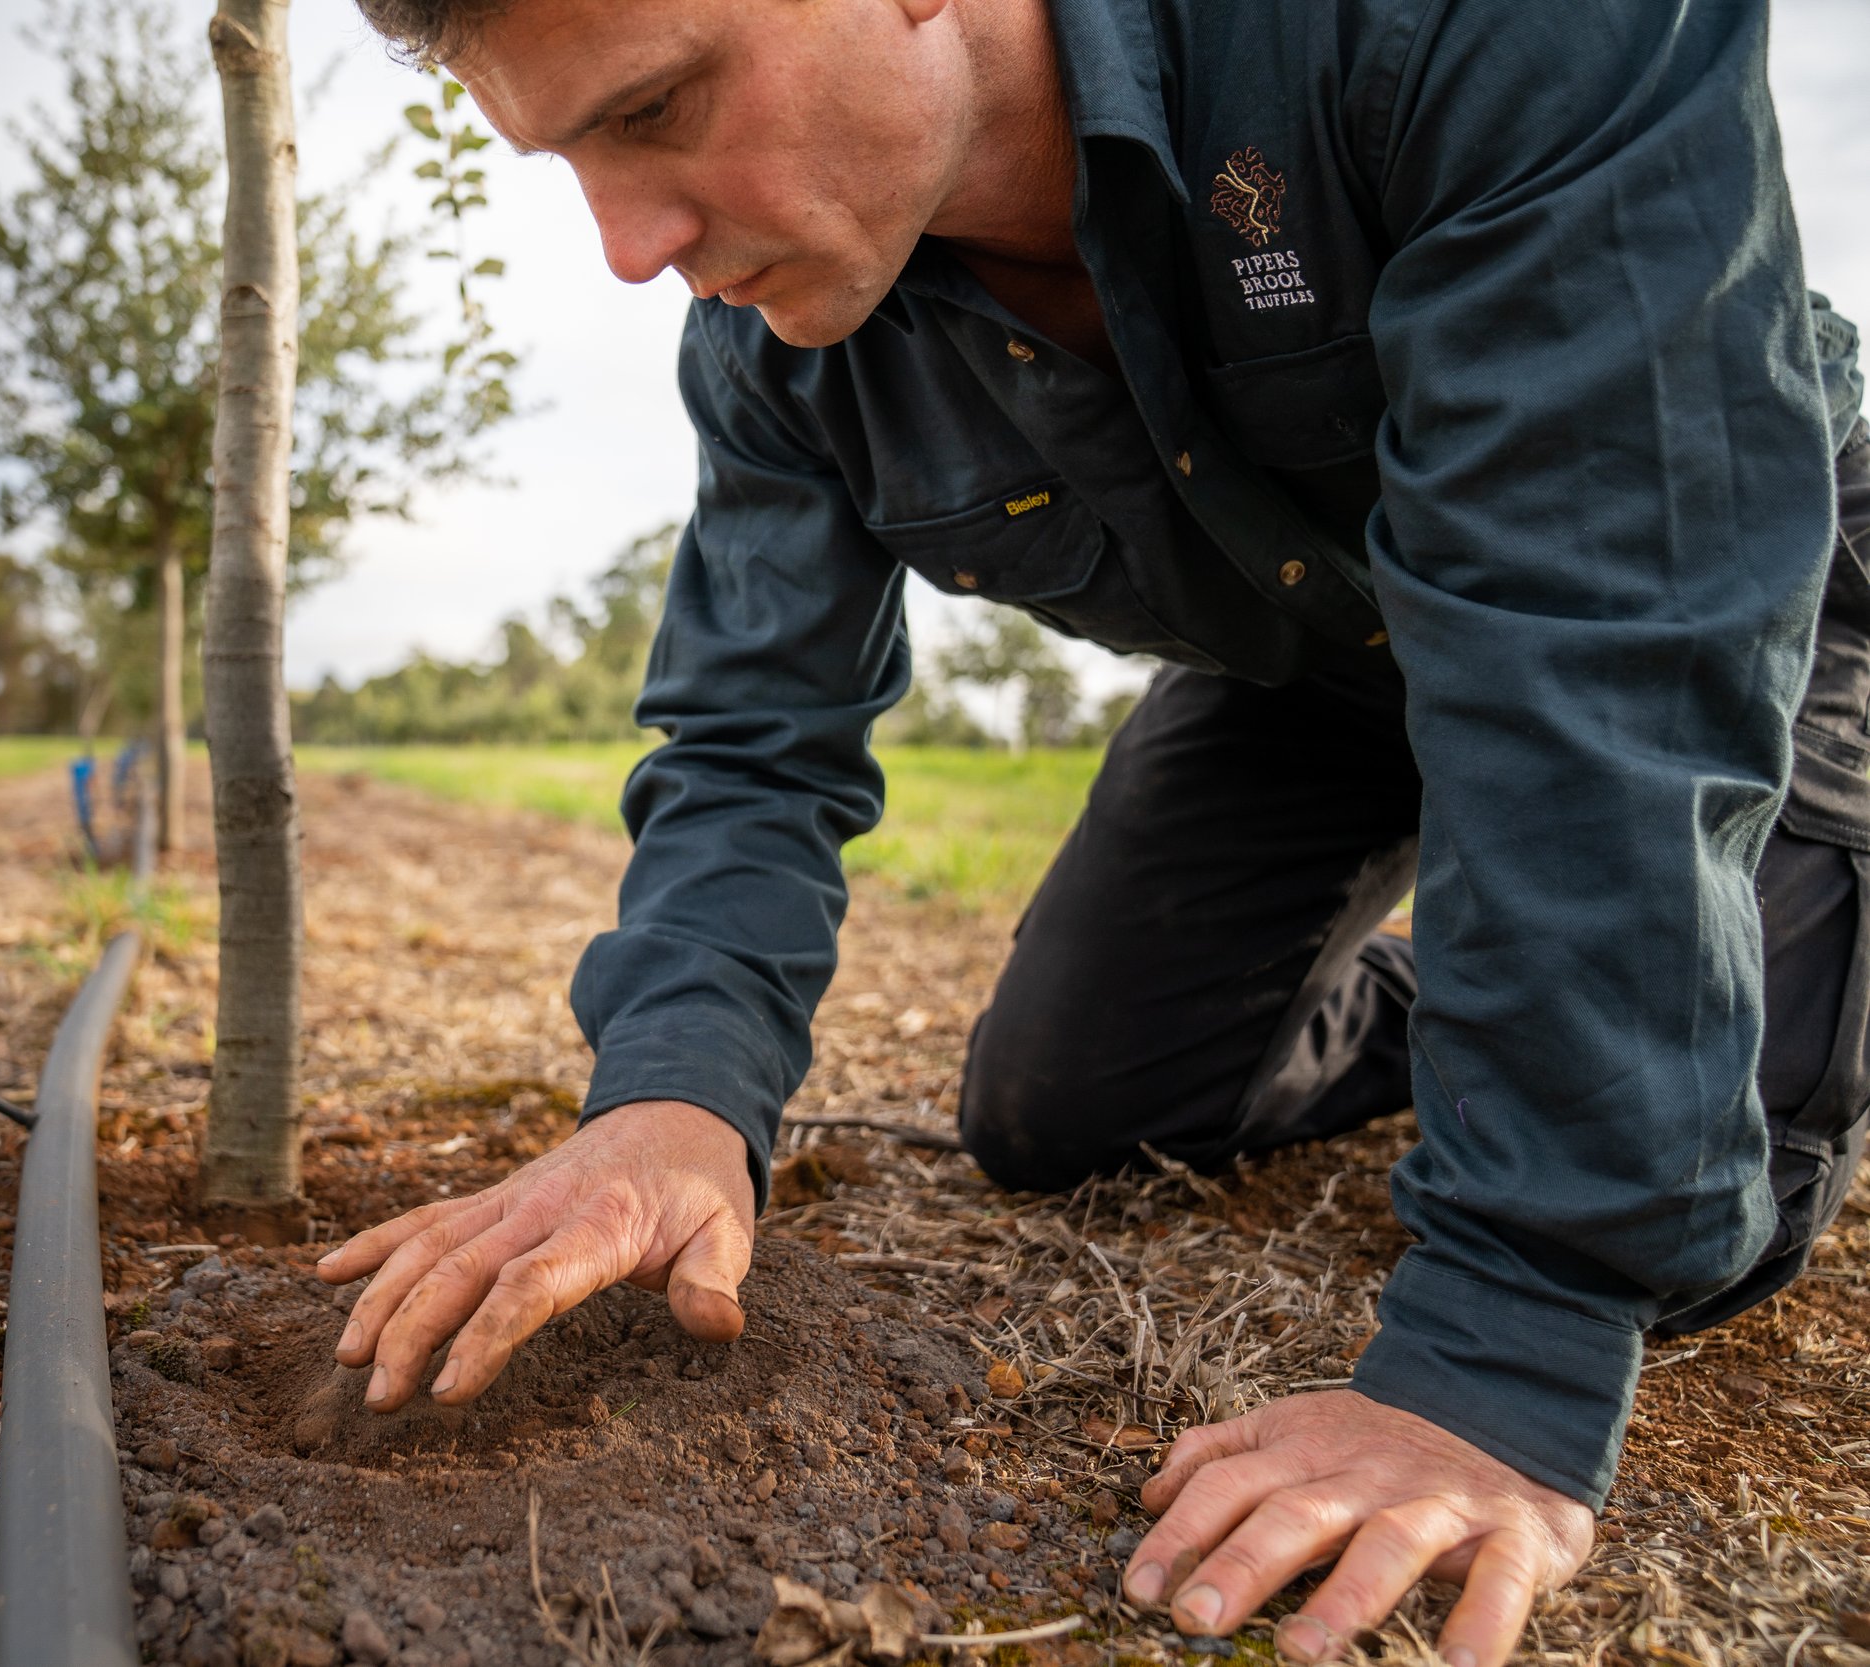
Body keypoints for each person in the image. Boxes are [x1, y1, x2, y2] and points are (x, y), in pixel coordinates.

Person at [312, 0, 1870, 1660]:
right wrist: (675, 1099)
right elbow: (752, 738)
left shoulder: (1465, 30)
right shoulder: (779, 350)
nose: (631, 247)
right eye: (568, 160)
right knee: (1074, 1110)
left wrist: (1512, 1341)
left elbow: (1606, 628)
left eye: (662, 106)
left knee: (1697, 1221)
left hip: (1722, 603)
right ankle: (1476, 990)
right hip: (1320, 661)